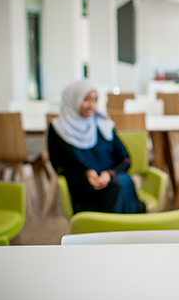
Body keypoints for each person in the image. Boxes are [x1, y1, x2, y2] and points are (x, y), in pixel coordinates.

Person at [47, 80, 145, 214]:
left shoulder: (103, 125)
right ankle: (125, 230)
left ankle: (115, 231)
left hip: (113, 181)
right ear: (73, 100)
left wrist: (109, 174)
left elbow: (126, 159)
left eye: (95, 100)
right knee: (121, 185)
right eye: (86, 99)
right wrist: (85, 175)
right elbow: (59, 167)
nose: (92, 105)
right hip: (85, 190)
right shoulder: (58, 130)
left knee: (122, 182)